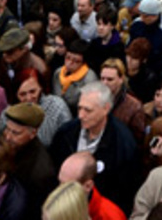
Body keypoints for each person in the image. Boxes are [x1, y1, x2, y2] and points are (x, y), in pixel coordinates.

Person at [50, 82, 140, 213]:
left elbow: (125, 192)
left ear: (106, 109)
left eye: (88, 110)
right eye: (79, 108)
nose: (81, 115)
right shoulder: (65, 133)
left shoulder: (123, 145)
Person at [0, 102, 59, 211]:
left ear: (33, 133)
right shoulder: (5, 145)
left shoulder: (41, 172)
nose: (8, 137)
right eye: (7, 129)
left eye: (16, 133)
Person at [58, 151, 127, 220]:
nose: (59, 191)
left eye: (68, 186)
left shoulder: (110, 216)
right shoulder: (56, 208)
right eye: (59, 183)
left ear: (88, 186)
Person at [53, 39, 99, 114]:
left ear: (83, 63)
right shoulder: (58, 73)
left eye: (76, 61)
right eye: (67, 58)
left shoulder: (90, 79)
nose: (69, 63)